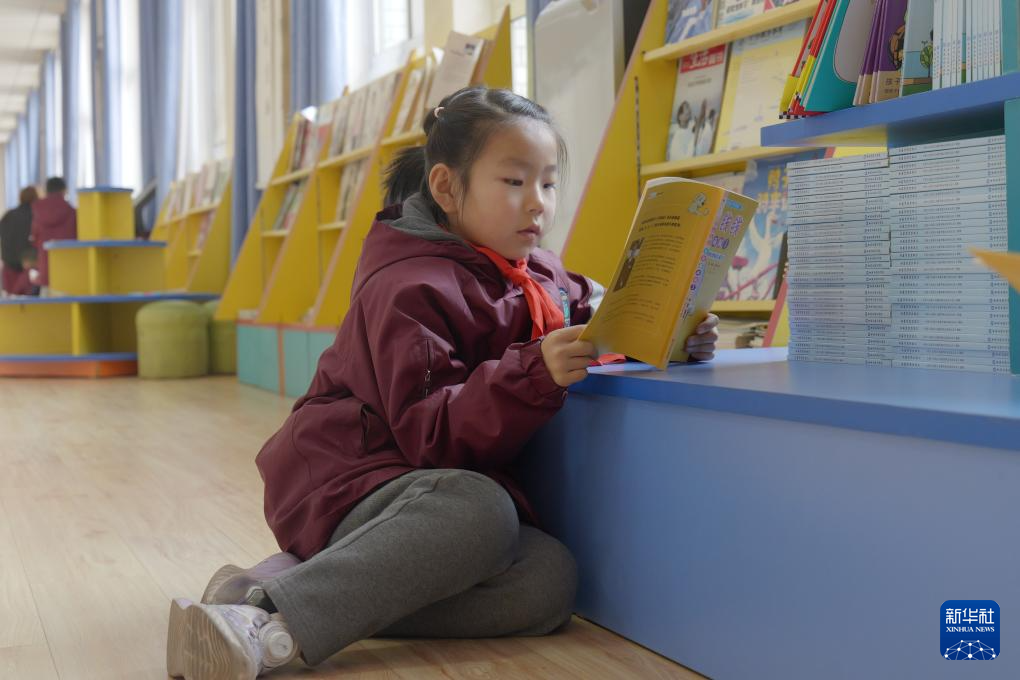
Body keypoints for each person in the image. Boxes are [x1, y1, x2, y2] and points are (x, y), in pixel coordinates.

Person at [165, 87, 720, 680]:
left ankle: (290, 586)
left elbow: (598, 318)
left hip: (431, 494)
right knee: (482, 509)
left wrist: (667, 332)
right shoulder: (408, 287)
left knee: (547, 579)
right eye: (514, 182)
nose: (537, 203)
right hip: (351, 483)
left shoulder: (539, 273)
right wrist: (533, 371)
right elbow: (429, 435)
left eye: (549, 183)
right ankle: (261, 624)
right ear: (447, 189)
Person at [31, 176, 77, 288]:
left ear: (46, 191)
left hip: (45, 266)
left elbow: (35, 240)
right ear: (64, 190)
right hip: (68, 266)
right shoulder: (72, 212)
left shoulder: (37, 211)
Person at [0, 186, 38, 295]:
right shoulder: (36, 216)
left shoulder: (8, 215)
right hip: (29, 266)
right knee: (31, 302)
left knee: (11, 301)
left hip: (9, 267)